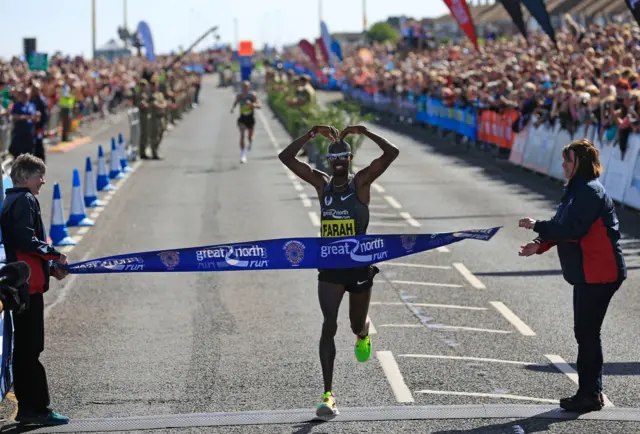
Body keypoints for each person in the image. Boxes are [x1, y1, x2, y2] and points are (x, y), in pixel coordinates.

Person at [278, 124, 399, 417]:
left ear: (350, 159)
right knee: (328, 323)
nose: (339, 161)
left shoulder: (361, 184)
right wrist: (310, 133)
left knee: (354, 324)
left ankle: (363, 331)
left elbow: (391, 152)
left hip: (358, 266)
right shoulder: (323, 185)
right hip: (330, 267)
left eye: (344, 156)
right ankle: (328, 395)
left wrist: (364, 131)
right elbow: (286, 157)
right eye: (335, 158)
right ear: (329, 162)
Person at [518, 138, 626, 413]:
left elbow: (572, 229)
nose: (563, 165)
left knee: (587, 334)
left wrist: (535, 226)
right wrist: (540, 243)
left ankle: (590, 394)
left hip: (599, 272)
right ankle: (591, 392)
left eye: (567, 160)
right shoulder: (578, 190)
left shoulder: (588, 192)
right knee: (587, 333)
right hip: (590, 272)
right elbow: (562, 226)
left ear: (579, 164)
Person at [0, 154, 70, 426]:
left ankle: (29, 407)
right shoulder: (25, 200)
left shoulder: (10, 201)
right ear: (25, 177)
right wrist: (55, 255)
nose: (42, 181)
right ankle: (37, 409)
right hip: (28, 289)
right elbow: (27, 241)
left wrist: (50, 268)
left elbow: (22, 247)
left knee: (25, 350)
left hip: (22, 284)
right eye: (39, 176)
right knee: (31, 349)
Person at [230, 81, 260, 163]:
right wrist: (233, 108)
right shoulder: (239, 96)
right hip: (242, 118)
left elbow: (259, 105)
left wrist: (252, 105)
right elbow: (235, 102)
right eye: (243, 87)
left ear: (249, 87)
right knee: (242, 134)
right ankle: (243, 154)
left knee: (250, 136)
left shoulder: (252, 95)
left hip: (250, 118)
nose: (245, 89)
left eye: (246, 87)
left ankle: (250, 142)